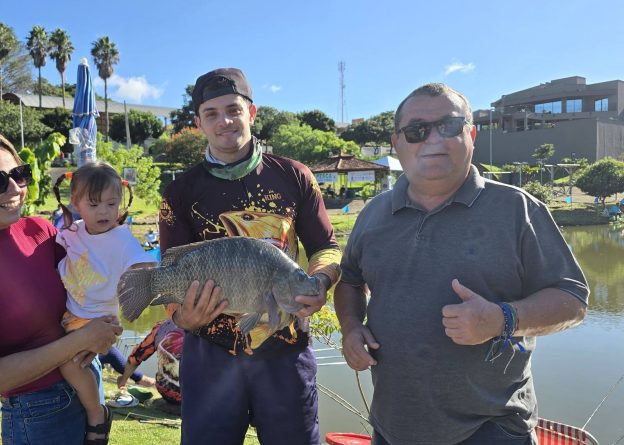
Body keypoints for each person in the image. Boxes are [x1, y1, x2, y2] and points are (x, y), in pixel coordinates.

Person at [334, 83, 589, 445]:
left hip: (492, 429)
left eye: (449, 126)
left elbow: (572, 300)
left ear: (471, 134)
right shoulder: (373, 214)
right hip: (392, 426)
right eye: (417, 131)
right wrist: (349, 327)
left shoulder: (517, 209)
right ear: (397, 143)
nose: (433, 139)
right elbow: (349, 280)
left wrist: (502, 319)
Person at [159, 67, 342, 445]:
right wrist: (180, 316)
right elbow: (169, 272)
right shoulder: (179, 192)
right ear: (199, 122)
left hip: (286, 352)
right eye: (211, 114)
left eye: (233, 109)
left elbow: (325, 247)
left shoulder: (295, 176)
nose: (224, 121)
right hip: (210, 354)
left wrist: (320, 282)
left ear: (252, 112)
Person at [0, 131, 123, 445]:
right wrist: (81, 341)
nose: (16, 188)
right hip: (39, 414)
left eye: (20, 175)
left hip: (88, 382)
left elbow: (88, 287)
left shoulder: (41, 230)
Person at [54, 161, 157, 443]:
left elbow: (143, 266)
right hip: (70, 313)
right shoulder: (74, 231)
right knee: (74, 363)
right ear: (76, 202)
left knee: (70, 363)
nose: (104, 212)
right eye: (94, 204)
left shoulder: (122, 238)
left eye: (112, 204)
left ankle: (96, 413)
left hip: (96, 319)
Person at [117, 316, 185, 407]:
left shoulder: (162, 328)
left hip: (170, 394)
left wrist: (123, 379)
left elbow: (137, 356)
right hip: (200, 396)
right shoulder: (207, 327)